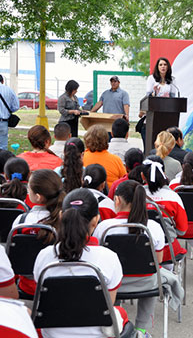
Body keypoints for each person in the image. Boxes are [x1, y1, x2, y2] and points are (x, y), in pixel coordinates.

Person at [33, 188, 125, 338]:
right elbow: (108, 303)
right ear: (96, 220)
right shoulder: (109, 257)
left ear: (61, 217)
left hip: (51, 333)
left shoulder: (44, 257)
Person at [92, 180, 167, 336]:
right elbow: (158, 261)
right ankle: (141, 329)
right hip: (145, 283)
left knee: (111, 275)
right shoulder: (153, 226)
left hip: (113, 285)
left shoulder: (104, 227)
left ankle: (116, 323)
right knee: (155, 276)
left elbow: (98, 257)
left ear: (117, 200)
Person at [12, 169, 65, 297]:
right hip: (60, 283)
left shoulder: (22, 221)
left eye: (29, 189)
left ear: (38, 196)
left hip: (27, 285)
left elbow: (14, 254)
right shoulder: (66, 220)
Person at [142, 156, 188, 262]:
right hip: (168, 249)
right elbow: (182, 230)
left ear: (142, 176)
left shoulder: (136, 196)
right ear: (163, 173)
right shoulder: (173, 197)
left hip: (141, 248)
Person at [0, 74, 19, 150]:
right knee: (3, 147)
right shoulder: (9, 90)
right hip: (3, 122)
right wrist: (7, 111)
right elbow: (16, 106)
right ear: (3, 81)